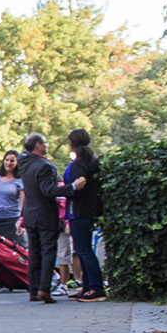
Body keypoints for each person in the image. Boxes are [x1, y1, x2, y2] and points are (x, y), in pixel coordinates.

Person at [17, 132, 84, 304]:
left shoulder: (24, 162)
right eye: (45, 143)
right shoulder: (45, 166)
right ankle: (44, 289)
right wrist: (72, 187)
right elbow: (49, 191)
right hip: (45, 213)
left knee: (34, 251)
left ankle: (33, 289)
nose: (47, 145)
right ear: (38, 145)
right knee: (48, 251)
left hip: (30, 213)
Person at [65, 128, 107, 301]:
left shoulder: (78, 164)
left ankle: (96, 287)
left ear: (72, 143)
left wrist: (65, 189)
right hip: (89, 210)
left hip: (78, 211)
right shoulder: (92, 160)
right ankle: (88, 286)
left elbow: (77, 188)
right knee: (84, 249)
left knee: (83, 250)